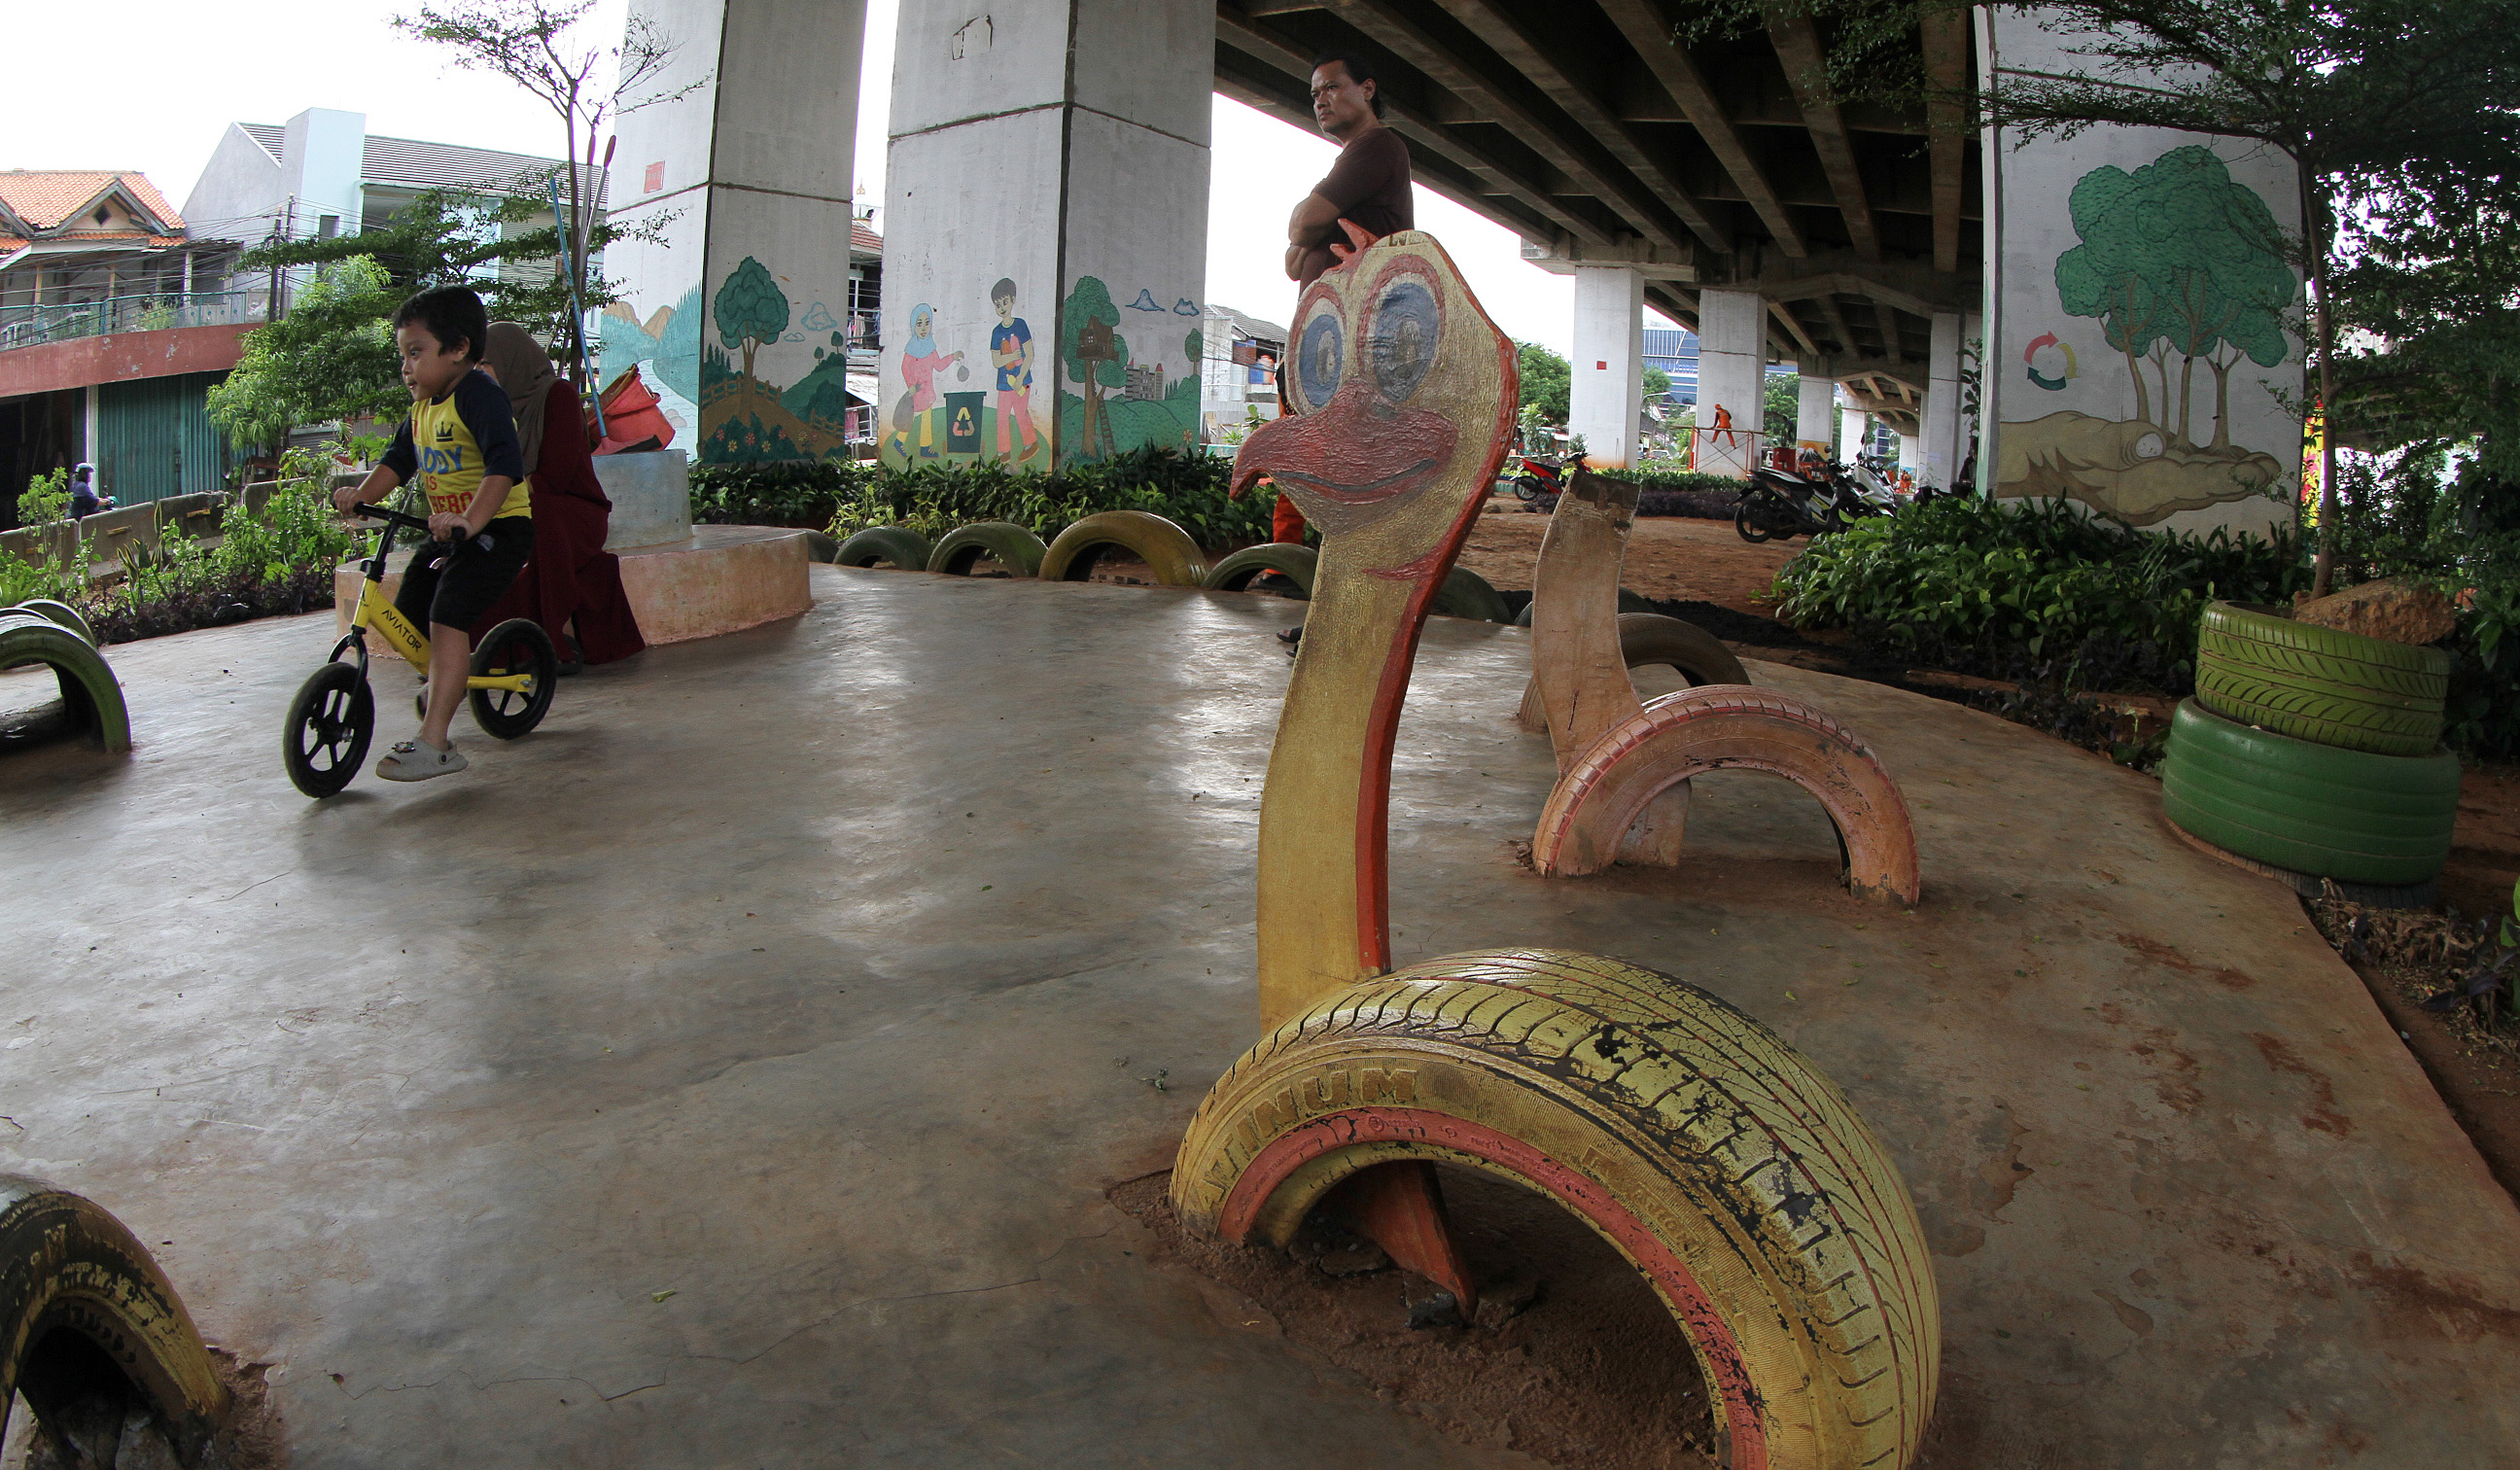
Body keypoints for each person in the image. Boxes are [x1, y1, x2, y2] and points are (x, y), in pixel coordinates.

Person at [334, 285, 532, 783]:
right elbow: (399, 461)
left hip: (498, 529)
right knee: (410, 611)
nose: (406, 367)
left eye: (415, 353)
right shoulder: (423, 408)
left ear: (459, 349)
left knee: (448, 616)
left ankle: (437, 742)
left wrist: (471, 519)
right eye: (403, 355)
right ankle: (446, 679)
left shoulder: (479, 396)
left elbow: (505, 467)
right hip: (449, 532)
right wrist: (363, 495)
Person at [1264, 50, 1415, 547]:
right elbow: (1291, 262)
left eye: (1331, 87)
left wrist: (1311, 224)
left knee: (1339, 460)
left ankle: (1329, 577)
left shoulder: (1376, 147)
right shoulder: (1352, 160)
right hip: (1329, 340)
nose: (1320, 100)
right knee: (1312, 451)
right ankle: (1293, 567)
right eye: (1313, 94)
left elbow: (1301, 225)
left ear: (1366, 89)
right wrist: (1311, 229)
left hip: (1355, 342)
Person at [466, 323, 646, 670]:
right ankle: (480, 649)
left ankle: (545, 642)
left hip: (573, 509)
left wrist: (497, 490)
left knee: (540, 519)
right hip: (518, 501)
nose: (479, 372)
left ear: (511, 360)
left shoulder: (556, 395)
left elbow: (554, 476)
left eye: (486, 363)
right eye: (476, 365)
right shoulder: (489, 407)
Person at [988, 278, 1039, 459]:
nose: (1002, 307)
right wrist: (1011, 356)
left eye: (1005, 302)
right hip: (1003, 383)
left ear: (1013, 300)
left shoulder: (1020, 325)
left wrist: (1020, 378)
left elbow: (1029, 354)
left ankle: (1031, 444)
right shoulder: (996, 332)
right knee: (1001, 417)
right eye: (997, 304)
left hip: (1022, 380)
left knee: (1020, 414)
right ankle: (1004, 451)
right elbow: (996, 361)